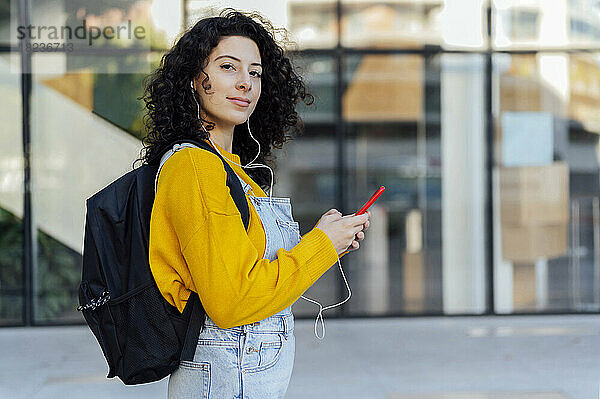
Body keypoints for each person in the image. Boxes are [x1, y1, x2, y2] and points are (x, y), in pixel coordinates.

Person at [136, 8, 371, 398]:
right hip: (229, 377)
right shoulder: (196, 167)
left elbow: (253, 272)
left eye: (255, 72)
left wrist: (327, 239)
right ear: (195, 79)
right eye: (228, 67)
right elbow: (232, 300)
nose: (245, 82)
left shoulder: (232, 170)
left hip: (239, 372)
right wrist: (322, 247)